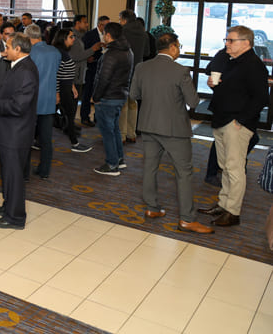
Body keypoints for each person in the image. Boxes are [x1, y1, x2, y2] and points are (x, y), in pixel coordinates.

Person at [129, 33, 213, 234]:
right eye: (179, 46)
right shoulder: (180, 71)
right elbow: (193, 102)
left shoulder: (142, 67)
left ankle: (152, 208)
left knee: (150, 168)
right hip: (174, 129)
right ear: (173, 47)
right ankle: (187, 219)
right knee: (184, 173)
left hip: (148, 125)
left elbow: (133, 95)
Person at [197, 26, 268, 227]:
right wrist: (214, 84)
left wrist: (241, 121)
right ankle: (224, 204)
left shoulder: (254, 65)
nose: (226, 44)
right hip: (221, 118)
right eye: (226, 40)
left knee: (235, 169)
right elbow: (231, 88)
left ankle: (233, 212)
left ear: (246, 43)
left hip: (236, 123)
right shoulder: (230, 60)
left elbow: (261, 98)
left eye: (231, 40)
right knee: (225, 167)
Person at [0, 33, 39, 230]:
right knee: (8, 173)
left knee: (14, 176)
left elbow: (19, 105)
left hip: (16, 133)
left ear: (18, 49)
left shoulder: (26, 70)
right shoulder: (19, 66)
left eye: (8, 47)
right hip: (9, 131)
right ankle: (8, 206)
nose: (5, 51)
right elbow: (12, 90)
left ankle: (15, 217)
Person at [92, 22, 133, 176]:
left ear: (108, 35)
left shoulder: (111, 54)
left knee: (107, 131)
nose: (103, 36)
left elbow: (104, 79)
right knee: (114, 128)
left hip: (108, 97)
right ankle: (119, 159)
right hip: (120, 95)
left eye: (104, 34)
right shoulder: (128, 51)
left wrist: (96, 97)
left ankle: (111, 164)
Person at [26, 24, 61, 180]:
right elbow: (56, 74)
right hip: (49, 99)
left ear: (28, 37)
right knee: (46, 139)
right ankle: (44, 170)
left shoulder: (30, 53)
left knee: (26, 138)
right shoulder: (55, 51)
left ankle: (24, 172)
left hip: (32, 100)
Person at [52, 28, 88, 151]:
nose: (73, 39)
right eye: (71, 37)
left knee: (63, 116)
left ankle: (37, 140)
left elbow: (65, 73)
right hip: (62, 90)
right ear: (63, 39)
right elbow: (57, 75)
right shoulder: (59, 53)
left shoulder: (63, 52)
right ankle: (75, 143)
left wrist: (72, 86)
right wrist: (57, 93)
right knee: (69, 116)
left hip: (66, 88)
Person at [118, 9, 149, 143]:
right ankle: (131, 133)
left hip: (124, 69)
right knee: (133, 102)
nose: (119, 22)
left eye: (120, 19)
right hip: (138, 70)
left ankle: (122, 134)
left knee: (123, 103)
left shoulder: (122, 31)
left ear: (124, 20)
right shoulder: (143, 32)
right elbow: (147, 52)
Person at [69, 14, 102, 124]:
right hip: (73, 74)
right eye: (85, 22)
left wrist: (88, 56)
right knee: (71, 103)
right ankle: (68, 126)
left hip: (79, 73)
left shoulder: (81, 36)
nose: (87, 24)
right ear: (77, 23)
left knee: (75, 102)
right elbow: (75, 56)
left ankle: (70, 125)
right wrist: (92, 49)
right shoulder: (72, 36)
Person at [79, 15, 109, 127]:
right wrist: (88, 57)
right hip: (91, 67)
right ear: (100, 25)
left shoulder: (109, 35)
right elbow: (83, 50)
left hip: (104, 67)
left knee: (100, 94)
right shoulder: (89, 35)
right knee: (87, 93)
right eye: (106, 25)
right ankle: (85, 117)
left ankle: (98, 117)